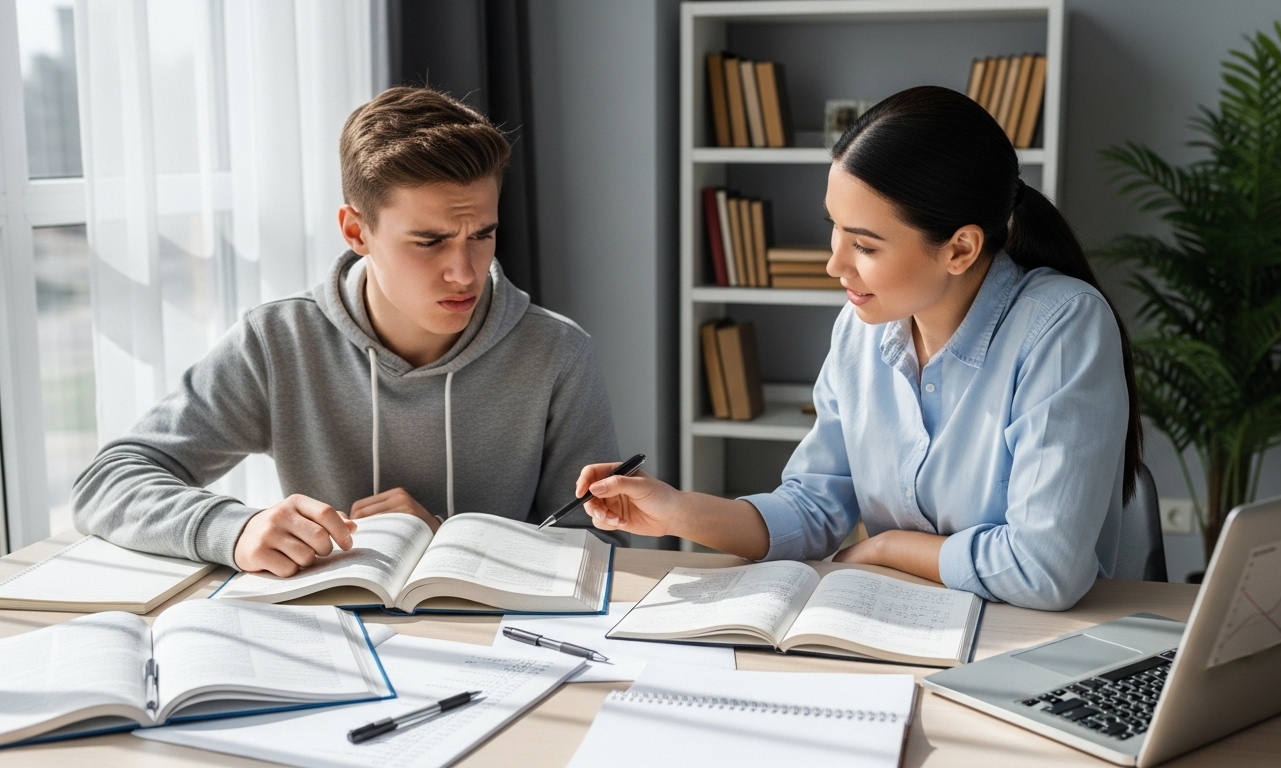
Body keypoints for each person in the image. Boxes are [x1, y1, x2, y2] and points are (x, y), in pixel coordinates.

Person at [578, 86, 1142, 611]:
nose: (834, 265)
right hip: (897, 625)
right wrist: (676, 510)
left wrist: (888, 548)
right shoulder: (861, 330)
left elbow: (1045, 570)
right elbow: (813, 509)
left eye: (865, 245)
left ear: (961, 249)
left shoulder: (1062, 326)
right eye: (836, 230)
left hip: (1027, 642)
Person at [73, 87, 622, 577]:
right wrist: (234, 530)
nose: (464, 271)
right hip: (322, 640)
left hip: (504, 648)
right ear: (356, 230)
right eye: (430, 241)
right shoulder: (277, 342)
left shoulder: (557, 353)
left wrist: (452, 541)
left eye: (482, 234)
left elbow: (602, 545)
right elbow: (108, 482)